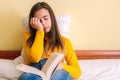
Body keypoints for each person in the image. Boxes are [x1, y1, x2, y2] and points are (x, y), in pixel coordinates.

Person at [18, 2, 81, 80]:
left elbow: (77, 72)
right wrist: (40, 31)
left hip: (56, 70)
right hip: (34, 69)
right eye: (39, 21)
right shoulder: (28, 36)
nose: (43, 23)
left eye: (45, 18)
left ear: (51, 17)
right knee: (25, 78)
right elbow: (35, 58)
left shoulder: (64, 42)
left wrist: (63, 66)